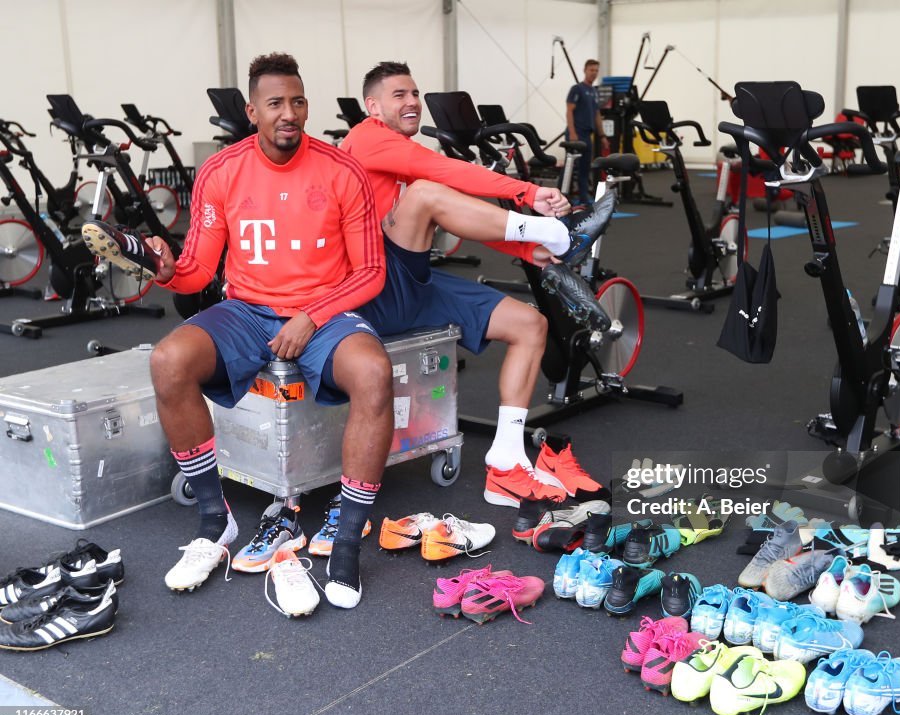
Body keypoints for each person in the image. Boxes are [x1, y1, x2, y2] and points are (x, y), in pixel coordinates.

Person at [82, 53, 390, 610]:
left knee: (374, 372)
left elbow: (371, 271)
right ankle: (213, 520)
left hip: (323, 309)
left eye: (297, 101)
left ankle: (345, 543)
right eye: (275, 104)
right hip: (247, 309)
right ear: (252, 111)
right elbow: (198, 271)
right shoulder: (221, 172)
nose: (289, 113)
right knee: (168, 360)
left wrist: (312, 315)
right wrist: (165, 266)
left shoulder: (343, 172)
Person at [340, 61, 611, 509]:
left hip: (409, 282)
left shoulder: (388, 156)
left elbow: (459, 215)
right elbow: (443, 174)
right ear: (373, 107)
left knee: (530, 325)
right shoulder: (368, 137)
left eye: (414, 93)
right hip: (373, 290)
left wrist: (531, 255)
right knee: (427, 191)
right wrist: (527, 194)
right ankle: (561, 234)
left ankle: (505, 463)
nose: (411, 102)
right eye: (398, 96)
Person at [566, 59, 609, 204]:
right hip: (576, 133)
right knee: (570, 169)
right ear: (585, 70)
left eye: (596, 70)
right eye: (591, 70)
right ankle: (562, 196)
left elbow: (597, 115)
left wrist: (602, 135)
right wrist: (572, 133)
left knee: (585, 168)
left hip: (587, 135)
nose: (594, 73)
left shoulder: (594, 91)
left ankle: (584, 198)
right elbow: (569, 111)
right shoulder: (576, 89)